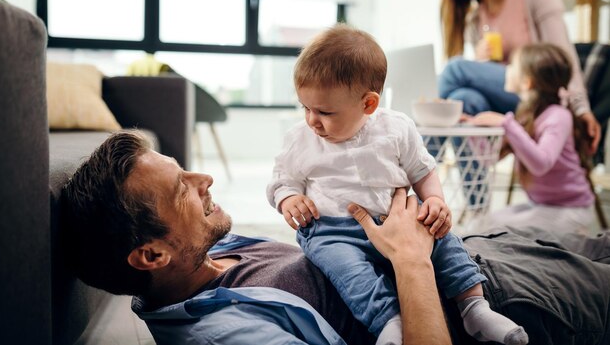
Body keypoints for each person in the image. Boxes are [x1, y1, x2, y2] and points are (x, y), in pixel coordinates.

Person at [59, 131, 610, 345]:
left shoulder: (207, 255)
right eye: (182, 188)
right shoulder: (228, 338)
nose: (204, 180)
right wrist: (413, 260)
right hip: (516, 305)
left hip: (475, 257)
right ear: (152, 253)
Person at [267, 24, 527, 345]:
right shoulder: (300, 139)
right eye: (305, 107)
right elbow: (282, 180)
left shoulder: (396, 128)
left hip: (398, 220)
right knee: (348, 272)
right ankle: (389, 322)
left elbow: (423, 170)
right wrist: (288, 198)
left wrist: (434, 201)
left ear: (368, 104)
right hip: (331, 230)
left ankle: (474, 306)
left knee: (445, 241)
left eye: (324, 111)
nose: (311, 120)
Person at [439, 0, 601, 153]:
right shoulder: (476, 20)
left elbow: (563, 55)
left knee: (455, 68)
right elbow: (490, 76)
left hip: (541, 96)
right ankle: (475, 188)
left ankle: (422, 163)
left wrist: (581, 108)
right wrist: (480, 62)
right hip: (508, 101)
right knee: (463, 99)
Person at [466, 43, 597, 234]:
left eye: (512, 65)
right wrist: (472, 129)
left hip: (571, 209)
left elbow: (541, 163)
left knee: (485, 229)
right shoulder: (528, 115)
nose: (506, 69)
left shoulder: (558, 116)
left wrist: (507, 124)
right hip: (541, 205)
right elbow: (488, 159)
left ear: (527, 82)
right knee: (478, 224)